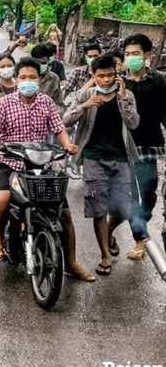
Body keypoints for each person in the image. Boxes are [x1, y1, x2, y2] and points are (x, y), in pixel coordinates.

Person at [0, 58, 94, 282]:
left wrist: (67, 145)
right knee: (2, 199)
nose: (27, 81)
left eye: (32, 77)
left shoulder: (46, 102)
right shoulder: (5, 103)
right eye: (23, 77)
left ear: (39, 79)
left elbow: (59, 129)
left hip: (42, 164)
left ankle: (71, 262)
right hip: (11, 162)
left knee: (63, 212)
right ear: (17, 79)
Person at [63, 55, 140, 276]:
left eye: (110, 75)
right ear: (92, 75)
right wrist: (84, 107)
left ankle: (109, 234)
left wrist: (123, 97)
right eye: (101, 76)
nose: (106, 80)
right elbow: (65, 120)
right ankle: (105, 256)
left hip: (121, 158)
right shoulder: (86, 94)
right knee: (99, 210)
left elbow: (134, 122)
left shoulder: (127, 95)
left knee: (123, 209)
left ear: (116, 74)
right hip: (93, 158)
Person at [106, 34, 166, 259]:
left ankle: (114, 228)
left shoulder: (159, 81)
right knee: (129, 196)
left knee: (149, 194)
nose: (131, 58)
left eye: (136, 53)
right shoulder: (118, 82)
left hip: (150, 146)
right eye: (128, 54)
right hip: (122, 148)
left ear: (147, 55)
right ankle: (141, 238)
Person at [30, 43, 65, 113]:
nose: (39, 65)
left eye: (43, 63)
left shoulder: (54, 79)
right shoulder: (24, 76)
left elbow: (59, 103)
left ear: (49, 61)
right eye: (36, 62)